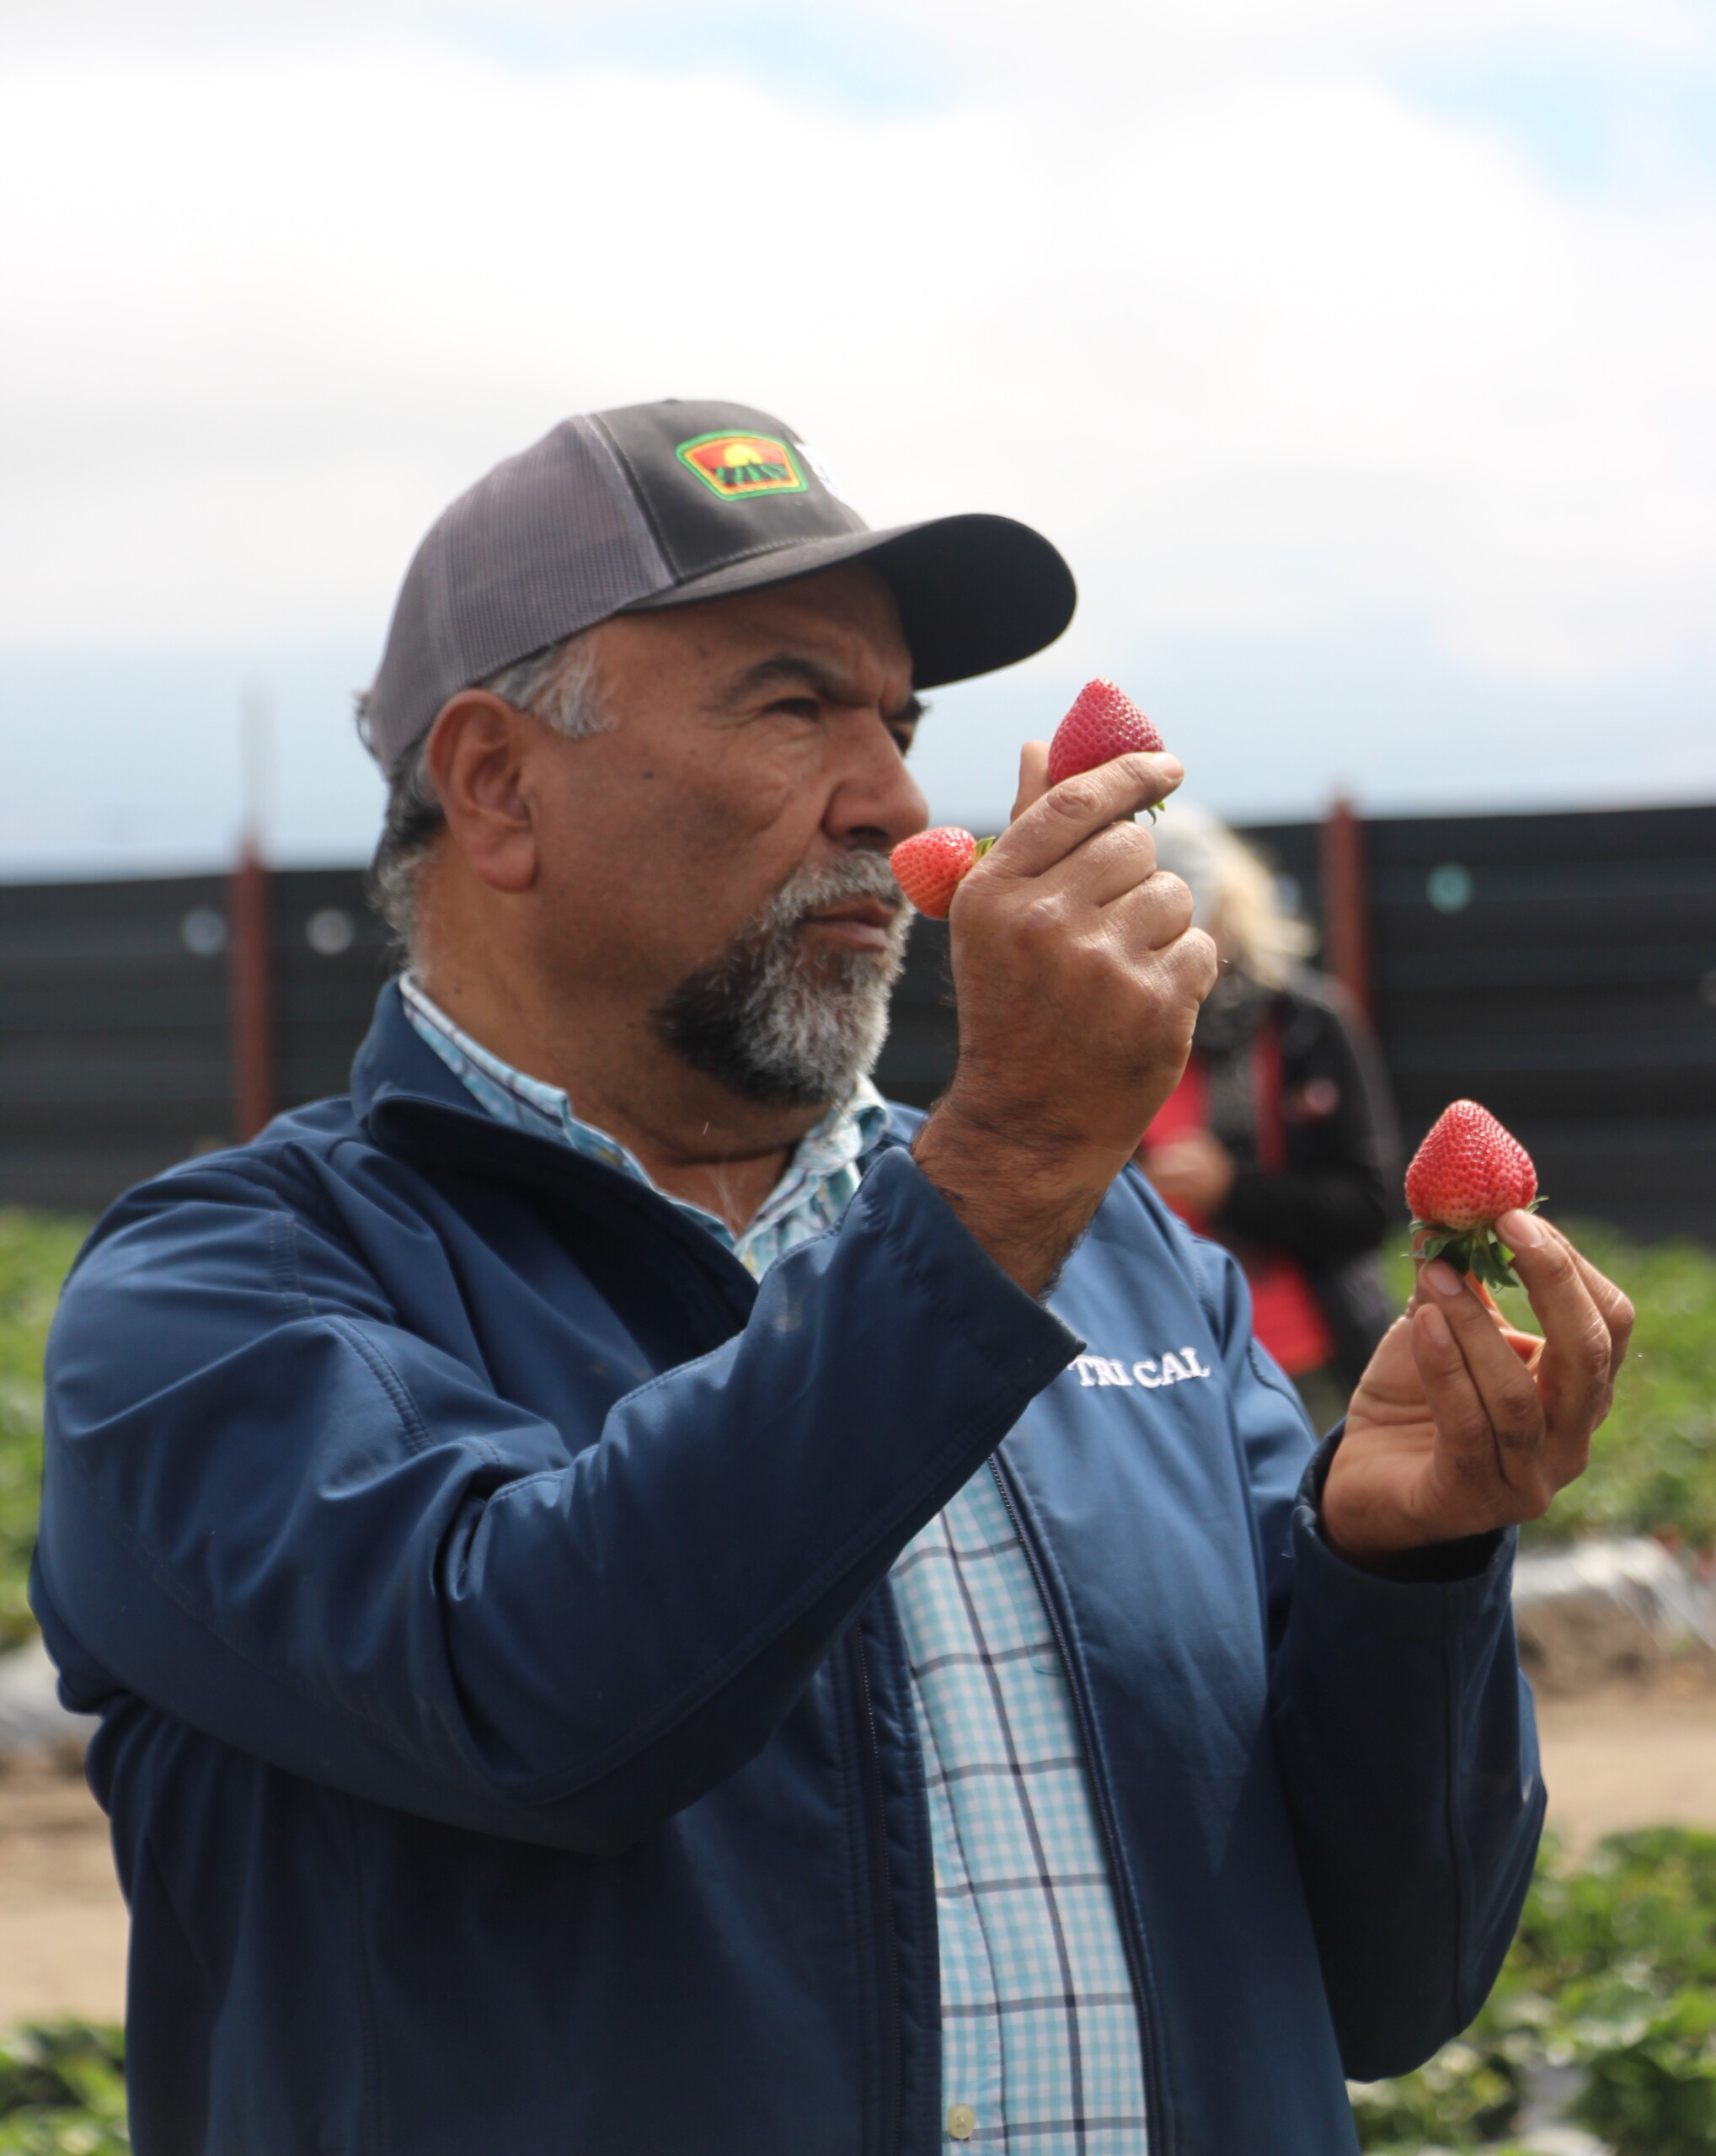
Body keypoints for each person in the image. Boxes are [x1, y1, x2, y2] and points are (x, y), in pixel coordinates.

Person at [33, 400, 1633, 2156]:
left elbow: (1394, 1974)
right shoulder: (224, 1291)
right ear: (496, 784)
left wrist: (1397, 1563)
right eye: (794, 704)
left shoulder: (1123, 1261)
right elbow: (535, 1694)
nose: (889, 799)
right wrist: (1009, 1166)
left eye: (899, 722)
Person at [1136, 803, 1400, 1435]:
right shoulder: (1110, 1034)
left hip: (1297, 1363)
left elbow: (1369, 1205)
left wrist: (1232, 1190)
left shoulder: (1305, 1022)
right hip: (1154, 1369)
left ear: (1232, 906)